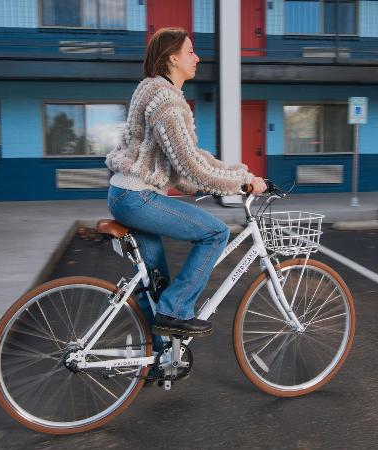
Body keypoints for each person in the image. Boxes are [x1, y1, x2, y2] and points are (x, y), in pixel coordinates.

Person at [105, 27, 267, 343]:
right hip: (137, 197)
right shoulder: (166, 101)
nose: (197, 58)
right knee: (215, 233)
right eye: (190, 51)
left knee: (154, 282)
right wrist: (240, 182)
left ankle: (158, 358)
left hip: (124, 193)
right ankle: (177, 310)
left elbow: (190, 159)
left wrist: (240, 176)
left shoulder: (152, 90)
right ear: (172, 58)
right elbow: (190, 167)